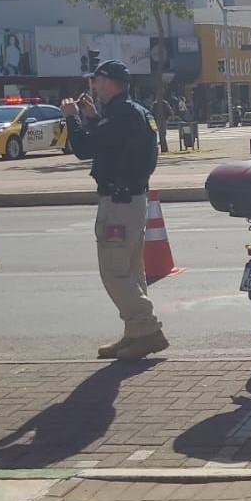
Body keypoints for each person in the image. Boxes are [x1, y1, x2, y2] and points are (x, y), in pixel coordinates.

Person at [61, 60, 168, 361]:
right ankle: (135, 333)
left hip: (119, 202)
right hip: (132, 198)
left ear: (108, 83)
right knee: (132, 270)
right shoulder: (133, 112)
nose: (93, 86)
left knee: (113, 271)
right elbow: (112, 145)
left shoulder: (121, 114)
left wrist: (71, 119)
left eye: (96, 81)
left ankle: (147, 329)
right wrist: (93, 119)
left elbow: (84, 148)